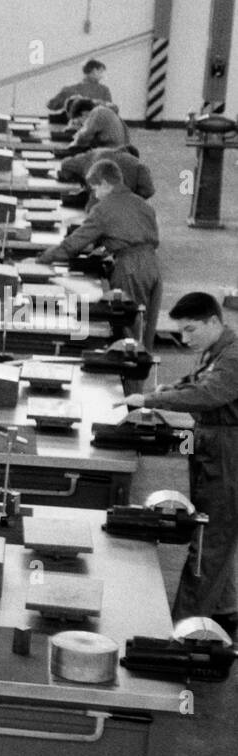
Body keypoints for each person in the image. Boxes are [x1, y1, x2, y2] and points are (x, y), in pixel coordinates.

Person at [124, 293, 238, 634]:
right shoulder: (216, 348)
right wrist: (171, 387)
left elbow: (207, 395)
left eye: (191, 330)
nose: (185, 340)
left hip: (227, 448)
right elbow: (196, 383)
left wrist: (151, 398)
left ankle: (186, 630)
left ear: (213, 322)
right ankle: (225, 607)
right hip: (209, 440)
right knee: (216, 526)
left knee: (208, 536)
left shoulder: (233, 357)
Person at [36, 159, 163, 347]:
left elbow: (73, 245)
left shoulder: (103, 208)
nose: (95, 194)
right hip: (153, 266)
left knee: (126, 324)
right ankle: (142, 367)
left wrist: (43, 258)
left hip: (130, 268)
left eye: (95, 189)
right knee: (146, 324)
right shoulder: (142, 204)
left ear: (105, 183)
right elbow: (134, 235)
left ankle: (127, 372)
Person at [58, 144, 154, 205]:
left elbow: (66, 164)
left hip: (94, 201)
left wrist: (79, 179)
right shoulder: (138, 164)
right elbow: (149, 190)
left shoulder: (96, 153)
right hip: (123, 206)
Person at [59, 97, 130, 154]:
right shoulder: (102, 110)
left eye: (80, 121)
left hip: (111, 152)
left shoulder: (96, 113)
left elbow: (84, 137)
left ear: (84, 113)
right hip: (116, 149)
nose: (82, 124)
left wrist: (70, 146)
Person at [47, 59, 115, 115]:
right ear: (94, 71)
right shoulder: (104, 90)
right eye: (101, 72)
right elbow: (111, 111)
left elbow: (51, 105)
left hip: (73, 127)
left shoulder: (68, 89)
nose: (102, 76)